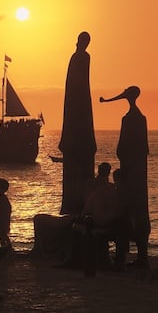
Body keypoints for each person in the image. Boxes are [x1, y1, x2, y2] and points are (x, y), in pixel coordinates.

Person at [100, 86, 150, 267]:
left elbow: (122, 146)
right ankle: (140, 255)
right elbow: (144, 147)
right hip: (137, 168)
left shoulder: (128, 119)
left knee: (129, 205)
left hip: (131, 166)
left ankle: (128, 254)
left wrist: (123, 155)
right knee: (138, 204)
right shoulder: (140, 118)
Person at [58, 31, 97, 216]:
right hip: (77, 105)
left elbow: (81, 84)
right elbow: (76, 85)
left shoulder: (81, 57)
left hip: (78, 105)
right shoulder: (79, 58)